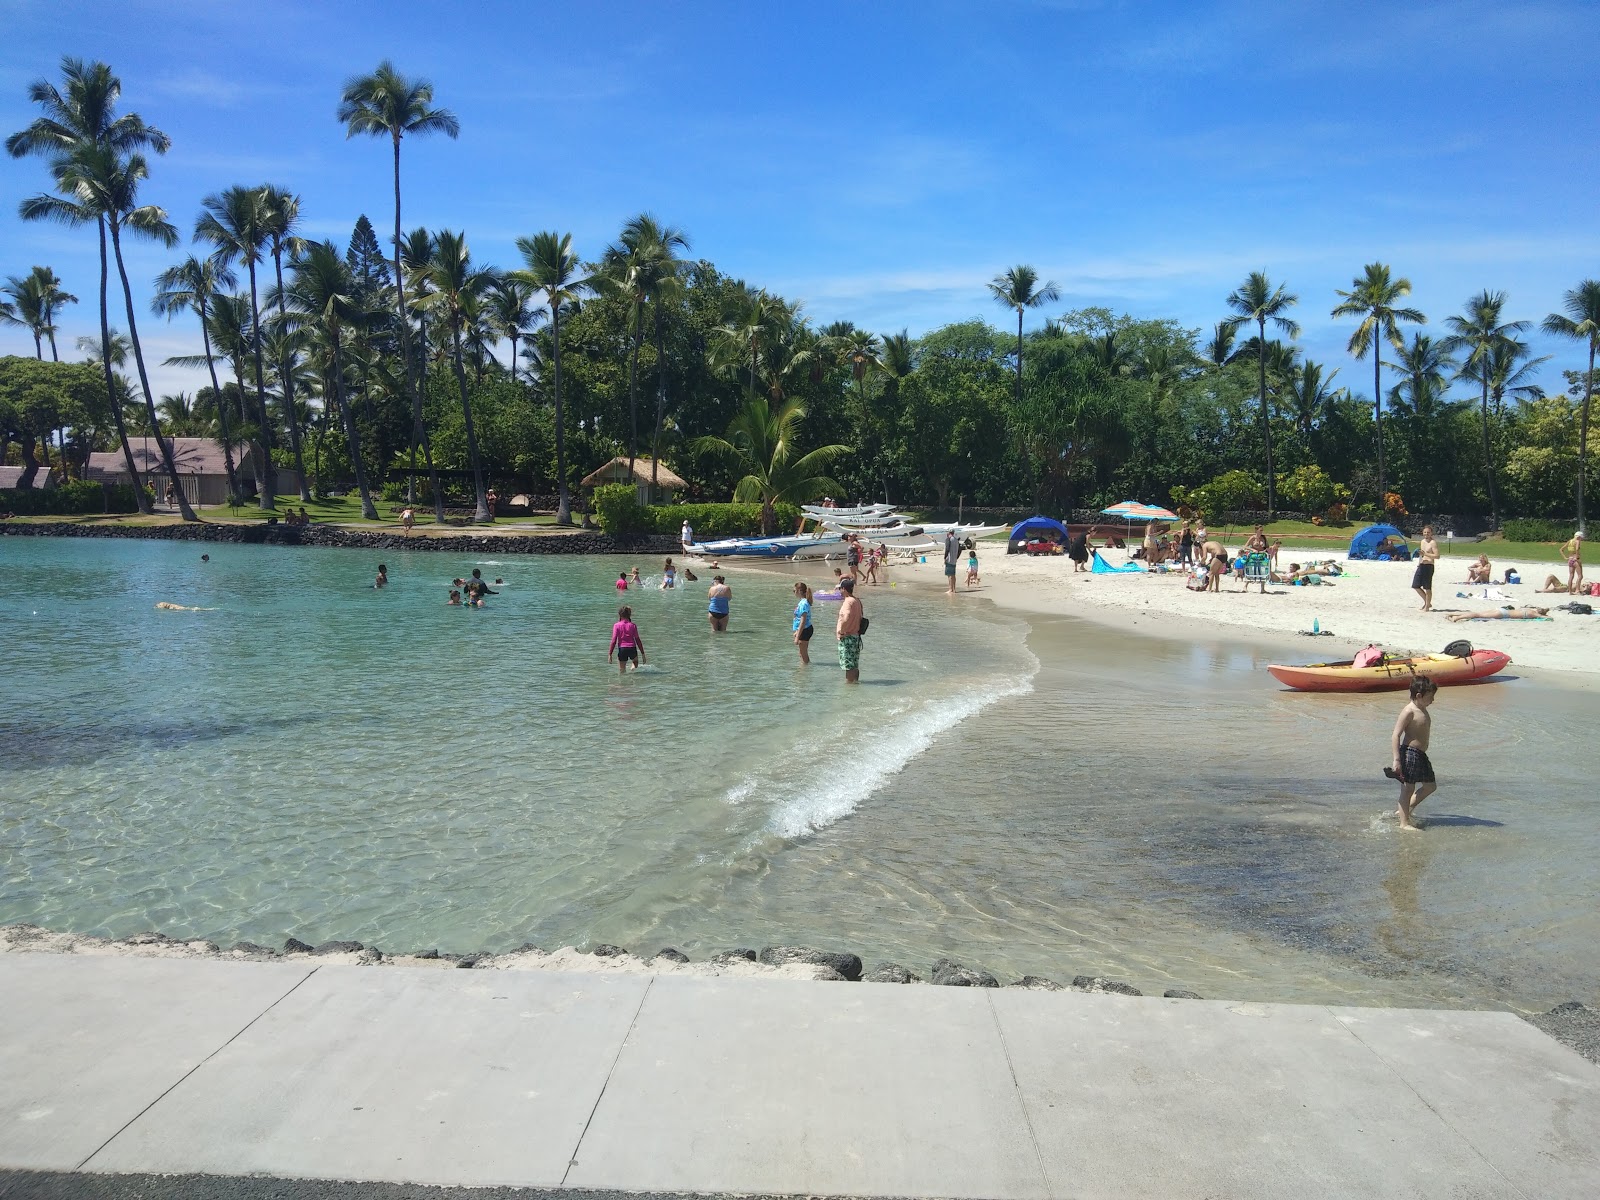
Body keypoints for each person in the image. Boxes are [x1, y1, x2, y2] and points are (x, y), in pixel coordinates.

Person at [1389, 677, 1438, 831]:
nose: (1433, 700)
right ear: (1418, 695)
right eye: (1430, 697)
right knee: (1408, 788)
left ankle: (1404, 810)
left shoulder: (1422, 709)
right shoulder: (1409, 711)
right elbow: (1395, 735)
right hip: (1409, 753)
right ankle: (1404, 824)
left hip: (1420, 755)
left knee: (1430, 786)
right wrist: (1397, 760)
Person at [836, 576, 864, 683]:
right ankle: (855, 684)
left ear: (844, 589)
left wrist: (841, 631)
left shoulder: (848, 601)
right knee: (854, 664)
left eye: (840, 589)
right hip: (856, 636)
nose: (839, 591)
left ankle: (849, 688)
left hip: (847, 637)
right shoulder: (857, 601)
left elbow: (846, 616)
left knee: (848, 665)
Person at [609, 604, 646, 674]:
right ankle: (632, 671)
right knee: (635, 662)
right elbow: (638, 640)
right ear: (629, 615)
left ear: (620, 615)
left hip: (622, 649)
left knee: (622, 670)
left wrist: (610, 654)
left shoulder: (616, 625)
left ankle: (623, 683)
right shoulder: (633, 625)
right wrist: (643, 653)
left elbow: (614, 640)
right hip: (632, 648)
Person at [1413, 525, 1440, 611]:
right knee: (1415, 585)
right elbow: (1421, 554)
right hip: (1421, 565)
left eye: (1428, 532)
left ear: (1431, 533)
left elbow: (1437, 556)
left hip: (1429, 566)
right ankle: (1427, 602)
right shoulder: (1422, 541)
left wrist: (1426, 554)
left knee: (1427, 587)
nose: (1426, 534)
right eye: (1425, 532)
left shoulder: (1433, 543)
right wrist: (1419, 562)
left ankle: (1427, 606)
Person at [792, 581, 814, 664]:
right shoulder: (802, 602)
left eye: (794, 591)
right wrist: (797, 631)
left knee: (803, 654)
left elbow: (803, 620)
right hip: (804, 629)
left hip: (805, 630)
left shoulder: (803, 603)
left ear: (799, 591)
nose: (794, 593)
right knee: (801, 654)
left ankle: (804, 672)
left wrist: (797, 636)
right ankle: (804, 672)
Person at [1446, 606, 1550, 620]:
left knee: (1478, 612)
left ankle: (1454, 614)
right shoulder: (1533, 614)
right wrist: (1546, 616)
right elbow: (1545, 618)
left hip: (1502, 610)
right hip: (1503, 614)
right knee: (1478, 615)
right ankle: (1456, 618)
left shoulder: (1528, 609)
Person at [943, 529, 960, 595]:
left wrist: (945, 558)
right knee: (953, 574)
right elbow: (959, 550)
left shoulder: (948, 539)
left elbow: (947, 549)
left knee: (949, 575)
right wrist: (956, 557)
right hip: (954, 560)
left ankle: (950, 589)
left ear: (949, 532)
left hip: (949, 559)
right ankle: (954, 589)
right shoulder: (956, 540)